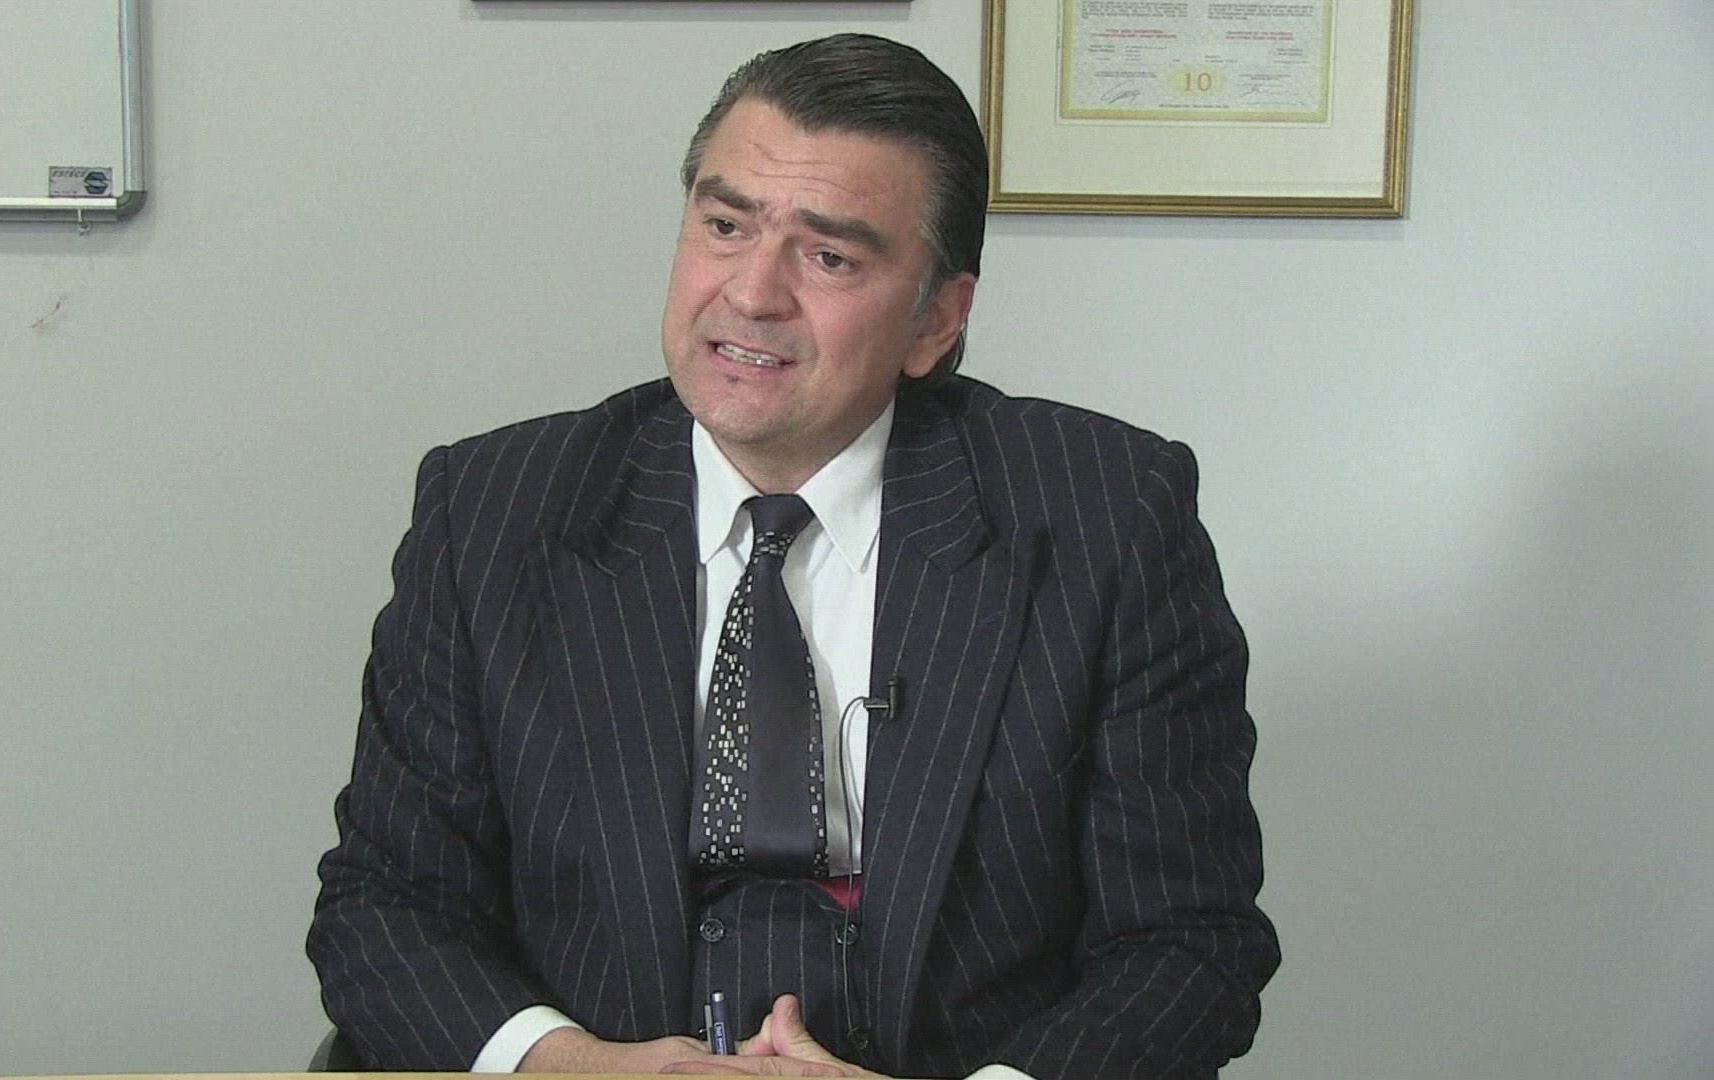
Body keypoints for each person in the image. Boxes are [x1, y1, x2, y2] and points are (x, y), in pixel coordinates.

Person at [308, 33, 1278, 1080]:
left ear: (935, 320)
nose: (751, 294)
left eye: (829, 257)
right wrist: (571, 1064)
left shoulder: (1107, 514)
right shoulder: (496, 509)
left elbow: (1185, 944)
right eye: (725, 226)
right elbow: (386, 903)